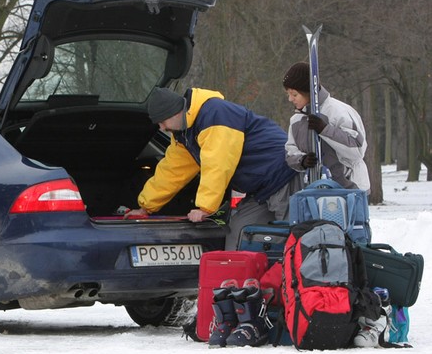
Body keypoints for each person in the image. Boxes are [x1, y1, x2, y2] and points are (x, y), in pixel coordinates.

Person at [124, 87, 298, 250]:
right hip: (260, 189)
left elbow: (218, 164)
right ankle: (238, 275)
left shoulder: (215, 114)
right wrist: (146, 207)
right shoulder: (184, 133)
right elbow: (172, 172)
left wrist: (205, 208)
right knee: (239, 233)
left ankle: (293, 271)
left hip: (282, 176)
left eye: (162, 122)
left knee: (293, 238)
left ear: (175, 112)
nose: (162, 128)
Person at [282, 62, 370, 191]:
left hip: (349, 189)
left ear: (308, 92)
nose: (290, 99)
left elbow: (357, 149)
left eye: (294, 94)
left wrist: (325, 130)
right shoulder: (296, 120)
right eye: (288, 94)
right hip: (314, 191)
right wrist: (302, 160)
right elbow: (290, 153)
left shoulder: (339, 112)